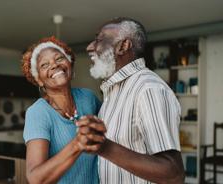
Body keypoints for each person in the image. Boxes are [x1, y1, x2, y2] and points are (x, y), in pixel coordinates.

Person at [76, 17, 185, 183]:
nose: (90, 47)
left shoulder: (148, 89)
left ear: (123, 46)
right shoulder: (114, 91)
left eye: (99, 40)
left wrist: (103, 146)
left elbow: (173, 173)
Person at [21, 36, 105, 184]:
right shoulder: (38, 113)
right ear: (38, 79)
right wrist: (77, 144)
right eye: (44, 65)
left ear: (70, 64)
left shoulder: (88, 98)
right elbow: (35, 179)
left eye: (59, 58)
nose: (54, 65)